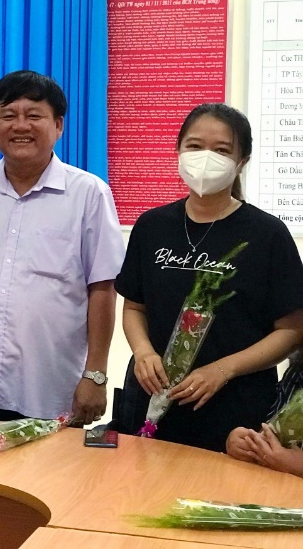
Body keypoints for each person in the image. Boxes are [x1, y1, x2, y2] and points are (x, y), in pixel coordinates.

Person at [0, 70, 125, 425]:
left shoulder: (88, 194)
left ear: (58, 125)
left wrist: (96, 374)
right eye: (8, 115)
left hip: (52, 388)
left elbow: (102, 288)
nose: (21, 126)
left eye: (34, 115)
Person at [115, 103, 303, 452]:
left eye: (221, 150)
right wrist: (142, 352)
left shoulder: (268, 235)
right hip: (153, 399)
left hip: (234, 411)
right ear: (178, 150)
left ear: (242, 161)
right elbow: (134, 307)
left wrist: (222, 370)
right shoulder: (152, 226)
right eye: (195, 146)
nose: (205, 158)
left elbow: (291, 331)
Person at [226, 351, 303, 476]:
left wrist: (295, 464)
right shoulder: (297, 373)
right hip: (269, 479)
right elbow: (273, 431)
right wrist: (248, 443)